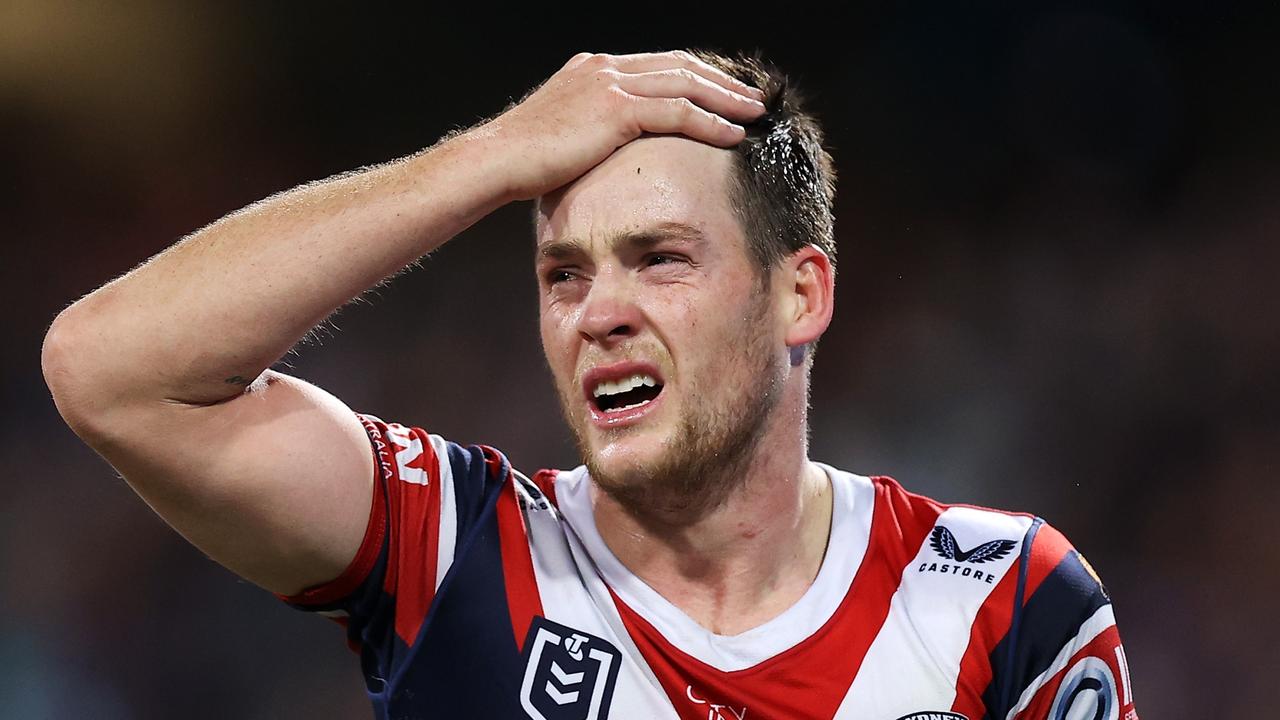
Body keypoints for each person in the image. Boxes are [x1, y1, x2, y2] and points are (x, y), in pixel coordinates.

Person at [42, 49, 1138, 720]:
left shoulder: (1004, 599)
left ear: (797, 295)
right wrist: (487, 156)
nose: (596, 311)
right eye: (562, 273)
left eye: (659, 258)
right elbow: (108, 369)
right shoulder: (460, 550)